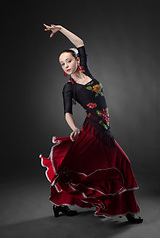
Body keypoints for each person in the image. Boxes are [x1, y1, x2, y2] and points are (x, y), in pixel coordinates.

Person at [39, 24, 143, 223]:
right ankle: (61, 204)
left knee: (117, 165)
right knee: (77, 170)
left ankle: (126, 209)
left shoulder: (86, 70)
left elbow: (79, 43)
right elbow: (67, 113)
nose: (66, 65)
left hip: (105, 132)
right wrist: (74, 128)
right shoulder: (69, 88)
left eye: (69, 60)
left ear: (77, 60)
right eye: (62, 64)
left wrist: (61, 29)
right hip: (91, 132)